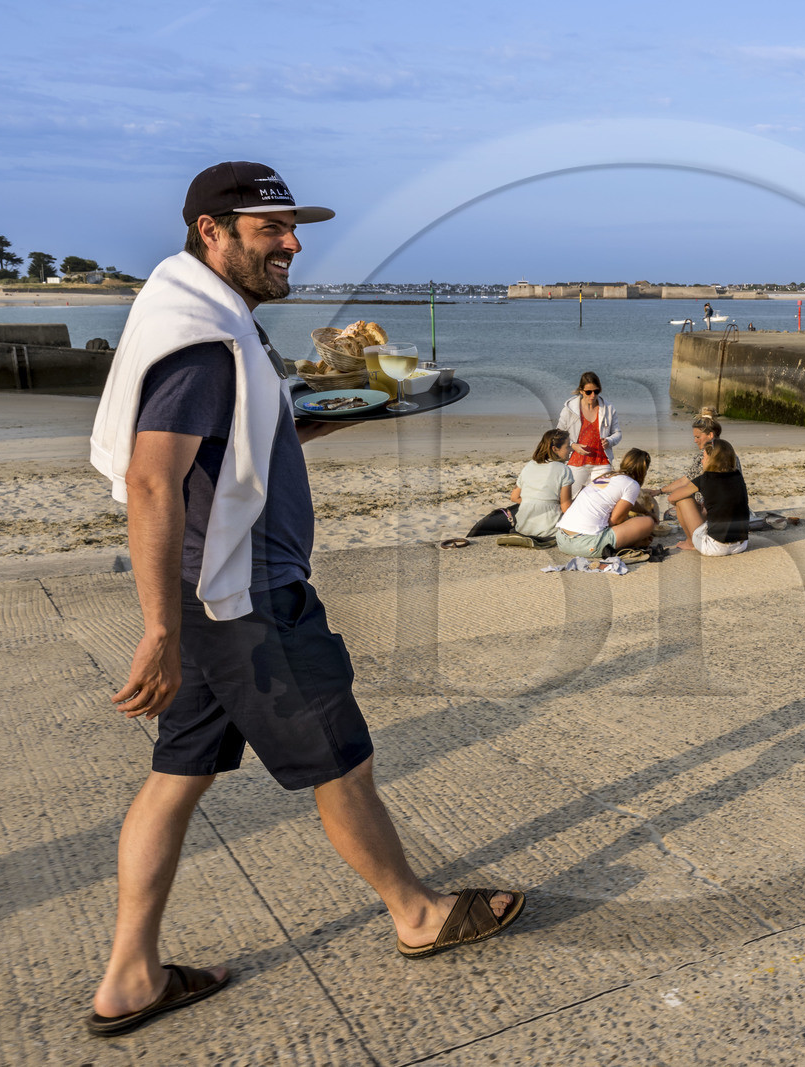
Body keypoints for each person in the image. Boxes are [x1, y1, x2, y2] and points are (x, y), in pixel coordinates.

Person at [84, 162, 523, 1037]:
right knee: (339, 760)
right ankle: (417, 913)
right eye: (268, 230)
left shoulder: (198, 313)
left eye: (293, 227)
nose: (292, 244)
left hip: (210, 591)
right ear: (211, 231)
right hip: (243, 598)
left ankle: (130, 975)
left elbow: (234, 440)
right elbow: (149, 480)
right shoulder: (204, 343)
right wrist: (159, 631)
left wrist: (331, 416)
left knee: (177, 776)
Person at [555, 448, 657, 558]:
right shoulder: (632, 484)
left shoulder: (607, 477)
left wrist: (645, 511)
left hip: (562, 540)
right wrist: (636, 531)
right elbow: (616, 520)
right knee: (647, 523)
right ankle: (635, 543)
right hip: (586, 544)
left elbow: (628, 502)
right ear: (644, 470)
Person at [667, 438, 750, 556]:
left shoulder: (705, 479)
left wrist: (692, 506)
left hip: (715, 547)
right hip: (741, 544)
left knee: (682, 500)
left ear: (712, 460)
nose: (702, 461)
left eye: (704, 457)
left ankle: (690, 543)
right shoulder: (737, 476)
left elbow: (672, 497)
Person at [556, 371, 621, 497]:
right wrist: (573, 445)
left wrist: (609, 441)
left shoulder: (608, 408)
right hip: (576, 461)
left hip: (602, 463)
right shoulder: (569, 409)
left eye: (596, 391)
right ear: (581, 390)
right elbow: (557, 434)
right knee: (570, 497)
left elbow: (618, 433)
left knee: (601, 497)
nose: (592, 395)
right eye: (588, 392)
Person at [509, 428, 574, 538]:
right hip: (548, 529)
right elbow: (565, 507)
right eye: (567, 446)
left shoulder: (529, 465)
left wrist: (535, 503)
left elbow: (514, 497)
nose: (571, 450)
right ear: (555, 449)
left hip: (523, 527)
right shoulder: (564, 470)